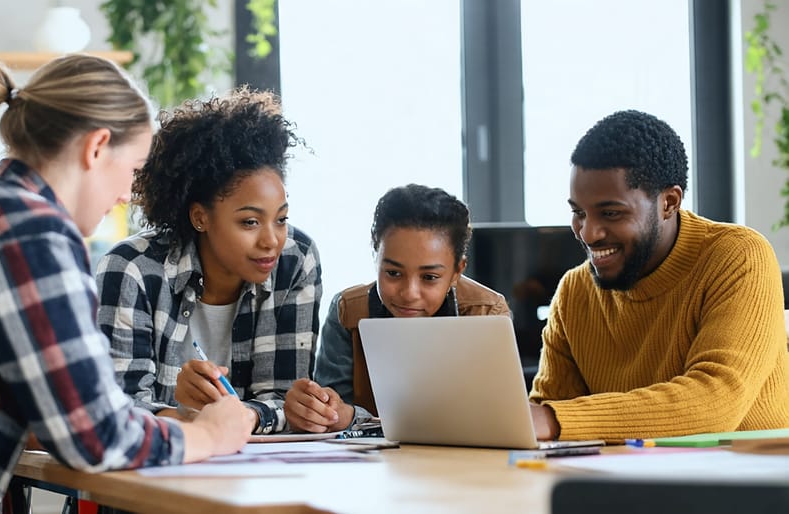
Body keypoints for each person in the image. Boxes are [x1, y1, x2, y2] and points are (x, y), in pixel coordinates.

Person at [0, 55, 254, 514]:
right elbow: (94, 435)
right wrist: (209, 434)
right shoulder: (32, 234)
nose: (128, 194)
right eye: (134, 170)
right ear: (97, 147)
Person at [529, 109, 789, 442]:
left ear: (668, 202)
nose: (588, 233)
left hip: (747, 486)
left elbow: (715, 401)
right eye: (578, 213)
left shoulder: (738, 257)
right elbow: (544, 415)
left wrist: (552, 419)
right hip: (624, 482)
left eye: (611, 213)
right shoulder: (574, 291)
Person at [96, 88, 322, 436]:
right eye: (249, 222)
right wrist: (182, 410)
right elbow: (115, 408)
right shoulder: (132, 269)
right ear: (200, 217)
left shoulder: (296, 260)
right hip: (149, 476)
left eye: (281, 218)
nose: (271, 240)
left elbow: (285, 398)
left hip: (253, 475)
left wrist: (247, 417)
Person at [285, 184, 510, 433]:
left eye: (429, 277)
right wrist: (320, 412)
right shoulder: (347, 312)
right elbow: (334, 417)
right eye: (393, 273)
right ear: (375, 254)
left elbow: (493, 420)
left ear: (457, 271)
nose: (409, 293)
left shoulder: (486, 313)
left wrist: (354, 418)